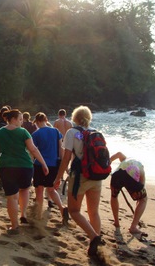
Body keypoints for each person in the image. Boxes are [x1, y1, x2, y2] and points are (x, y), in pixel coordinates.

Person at [54, 105, 104, 257]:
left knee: (74, 211)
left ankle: (94, 237)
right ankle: (95, 244)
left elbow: (66, 158)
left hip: (79, 177)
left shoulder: (72, 133)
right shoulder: (96, 132)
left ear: (74, 118)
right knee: (94, 212)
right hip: (96, 176)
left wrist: (58, 177)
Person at [0, 109, 49, 234]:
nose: (22, 122)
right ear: (13, 119)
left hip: (7, 167)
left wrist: (0, 157)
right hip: (25, 166)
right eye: (20, 119)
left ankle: (14, 225)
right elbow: (33, 149)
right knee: (24, 189)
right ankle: (23, 214)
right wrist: (43, 164)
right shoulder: (23, 132)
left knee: (11, 197)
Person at [31, 112, 68, 224]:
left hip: (40, 164)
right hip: (54, 164)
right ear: (46, 120)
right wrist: (61, 164)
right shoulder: (56, 132)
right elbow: (61, 149)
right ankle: (62, 209)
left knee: (39, 190)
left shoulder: (36, 134)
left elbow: (33, 150)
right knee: (51, 189)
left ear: (36, 122)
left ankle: (38, 214)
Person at [109, 152, 147, 236]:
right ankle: (133, 227)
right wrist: (138, 199)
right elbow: (141, 189)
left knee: (114, 196)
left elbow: (118, 153)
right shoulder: (141, 170)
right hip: (131, 175)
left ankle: (116, 222)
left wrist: (109, 162)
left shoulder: (125, 159)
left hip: (117, 174)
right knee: (143, 199)